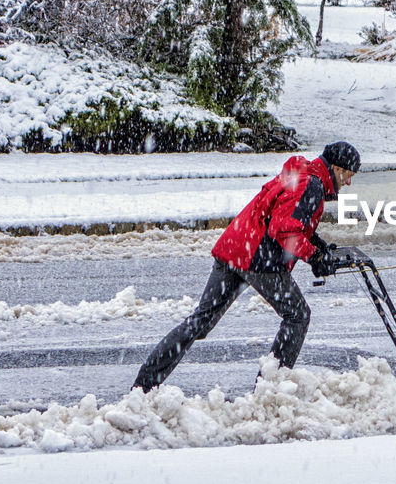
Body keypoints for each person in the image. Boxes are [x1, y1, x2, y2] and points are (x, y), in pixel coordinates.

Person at [132, 141, 361, 392]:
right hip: (259, 259)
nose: (348, 183)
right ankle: (270, 390)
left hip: (235, 248)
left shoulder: (303, 173)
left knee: (200, 322)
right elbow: (283, 229)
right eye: (349, 176)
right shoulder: (312, 186)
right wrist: (315, 257)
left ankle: (144, 384)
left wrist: (319, 247)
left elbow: (290, 219)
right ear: (338, 169)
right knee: (297, 315)